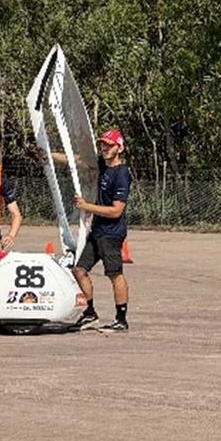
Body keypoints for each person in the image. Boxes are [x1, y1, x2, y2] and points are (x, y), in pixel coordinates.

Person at [70, 128, 132, 332]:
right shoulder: (101, 166)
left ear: (119, 148)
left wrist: (86, 206)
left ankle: (121, 319)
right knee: (79, 270)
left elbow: (116, 211)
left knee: (115, 274)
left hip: (111, 233)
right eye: (102, 144)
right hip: (96, 231)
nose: (104, 148)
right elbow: (77, 160)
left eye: (109, 145)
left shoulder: (121, 175)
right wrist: (48, 156)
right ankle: (90, 312)